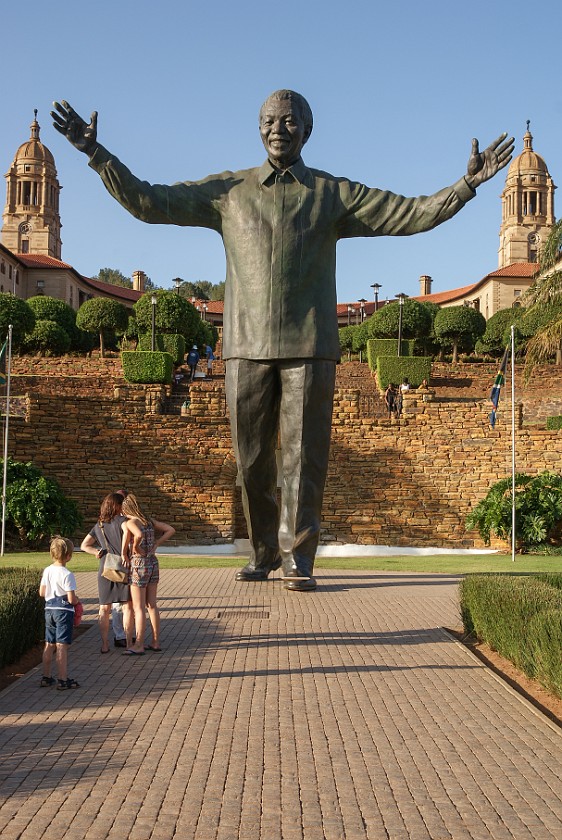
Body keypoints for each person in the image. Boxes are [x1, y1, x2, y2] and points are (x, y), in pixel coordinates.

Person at [52, 92, 513, 592]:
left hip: (310, 345)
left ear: (306, 131)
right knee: (251, 461)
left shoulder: (330, 193)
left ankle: (299, 559)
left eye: (289, 121)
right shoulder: (229, 191)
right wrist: (97, 155)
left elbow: (407, 213)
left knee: (304, 460)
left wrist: (466, 185)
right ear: (258, 128)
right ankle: (265, 550)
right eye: (269, 120)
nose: (278, 128)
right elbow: (149, 201)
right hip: (245, 345)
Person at [120, 493, 175, 655]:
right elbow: (170, 529)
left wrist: (134, 548)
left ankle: (139, 644)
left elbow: (137, 534)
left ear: (126, 509)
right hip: (153, 562)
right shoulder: (149, 521)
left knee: (138, 608)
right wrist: (156, 543)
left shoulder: (131, 523)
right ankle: (156, 642)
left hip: (138, 564)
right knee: (152, 605)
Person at [81, 493, 134, 653]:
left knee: (104, 609)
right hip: (122, 566)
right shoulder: (124, 522)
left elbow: (84, 545)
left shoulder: (99, 525)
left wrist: (95, 551)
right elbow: (127, 531)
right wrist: (125, 551)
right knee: (127, 607)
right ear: (118, 506)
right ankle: (129, 644)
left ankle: (104, 645)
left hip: (105, 568)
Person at [39, 536, 80, 690]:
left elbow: (42, 592)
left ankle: (46, 676)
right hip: (63, 612)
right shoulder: (67, 574)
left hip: (49, 609)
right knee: (61, 645)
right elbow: (71, 598)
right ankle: (63, 679)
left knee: (49, 644)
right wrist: (76, 601)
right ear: (68, 556)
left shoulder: (47, 570)